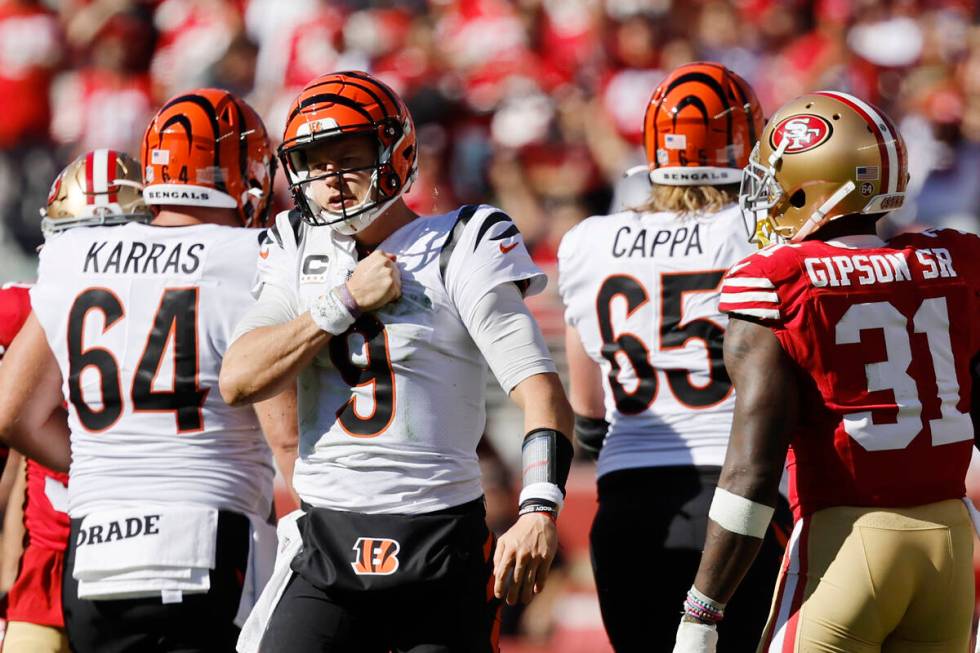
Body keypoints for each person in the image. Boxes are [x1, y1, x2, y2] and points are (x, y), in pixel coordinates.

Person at [219, 70, 574, 653]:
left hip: (439, 541)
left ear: (397, 155)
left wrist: (539, 508)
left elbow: (540, 393)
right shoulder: (291, 245)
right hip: (326, 543)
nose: (330, 179)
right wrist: (343, 303)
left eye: (349, 158)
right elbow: (239, 379)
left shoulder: (462, 242)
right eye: (313, 161)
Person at [672, 91, 979, 653]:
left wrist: (702, 612)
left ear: (810, 182)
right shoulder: (956, 261)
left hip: (847, 543)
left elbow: (751, 472)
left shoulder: (777, 280)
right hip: (952, 546)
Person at [0, 88, 287, 653]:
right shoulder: (254, 255)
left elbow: (12, 413)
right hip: (207, 537)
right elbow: (290, 436)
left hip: (95, 551)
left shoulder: (71, 258)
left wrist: (113, 462)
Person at [557, 62, 790, 652]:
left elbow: (587, 411)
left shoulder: (586, 241)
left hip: (629, 505)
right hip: (742, 498)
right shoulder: (760, 231)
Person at [3, 149, 149, 653]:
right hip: (52, 556)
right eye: (85, 238)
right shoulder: (22, 309)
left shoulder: (186, 309)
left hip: (142, 546)